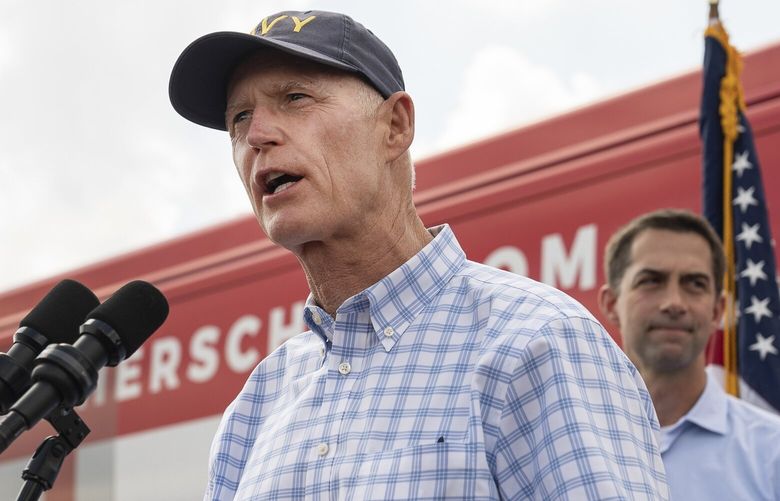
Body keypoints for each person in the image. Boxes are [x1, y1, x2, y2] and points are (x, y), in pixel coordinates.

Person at [169, 10, 667, 500]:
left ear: (395, 126)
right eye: (239, 118)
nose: (257, 136)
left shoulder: (537, 342)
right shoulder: (257, 406)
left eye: (295, 98)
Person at [598, 208, 780, 500]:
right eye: (651, 281)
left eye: (695, 284)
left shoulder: (772, 451)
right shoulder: (564, 438)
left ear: (717, 311)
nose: (674, 303)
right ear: (611, 303)